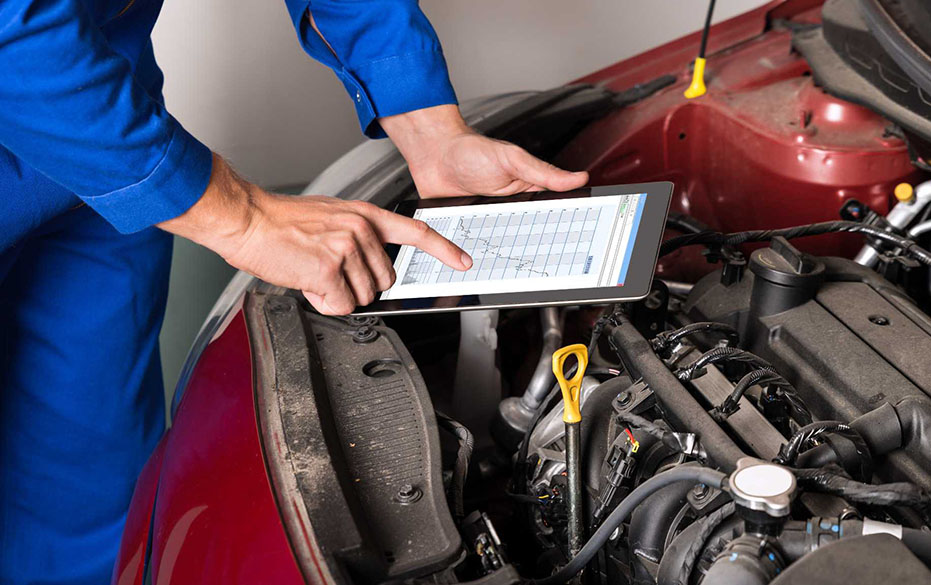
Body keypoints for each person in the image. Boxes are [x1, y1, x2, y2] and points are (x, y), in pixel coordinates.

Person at [0, 1, 588, 582]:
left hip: (105, 160)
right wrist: (244, 217)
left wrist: (430, 128)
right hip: (92, 132)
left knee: (93, 498)